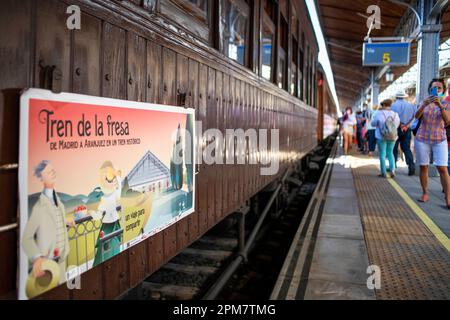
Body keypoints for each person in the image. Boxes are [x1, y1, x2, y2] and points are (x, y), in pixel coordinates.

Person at [22, 161, 73, 286]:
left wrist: (64, 220)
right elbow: (26, 238)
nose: (53, 173)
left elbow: (52, 219)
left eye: (53, 170)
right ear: (41, 178)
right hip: (48, 265)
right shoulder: (39, 207)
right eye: (48, 171)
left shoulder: (57, 201)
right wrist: (36, 257)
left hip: (61, 260)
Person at [414, 78, 450, 207]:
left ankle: (448, 198)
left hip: (440, 139)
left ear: (443, 91)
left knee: (442, 168)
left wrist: (440, 105)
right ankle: (425, 193)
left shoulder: (446, 104)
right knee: (424, 166)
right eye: (434, 88)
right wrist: (424, 104)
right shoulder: (423, 102)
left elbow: (447, 121)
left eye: (439, 88)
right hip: (422, 138)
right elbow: (416, 116)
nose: (437, 90)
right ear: (430, 89)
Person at [371, 99, 400, 178]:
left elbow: (373, 123)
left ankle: (383, 172)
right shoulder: (395, 114)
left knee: (382, 154)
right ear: (390, 105)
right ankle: (392, 170)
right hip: (392, 136)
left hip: (381, 136)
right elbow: (397, 125)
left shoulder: (379, 113)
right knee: (390, 153)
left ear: (383, 105)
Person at [391, 90, 416, 176]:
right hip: (407, 129)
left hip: (396, 129)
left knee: (394, 147)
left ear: (396, 97)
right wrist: (407, 126)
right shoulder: (411, 105)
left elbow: (391, 117)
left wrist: (400, 125)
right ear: (404, 97)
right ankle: (411, 165)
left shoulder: (393, 105)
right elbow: (415, 117)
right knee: (406, 148)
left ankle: (393, 166)